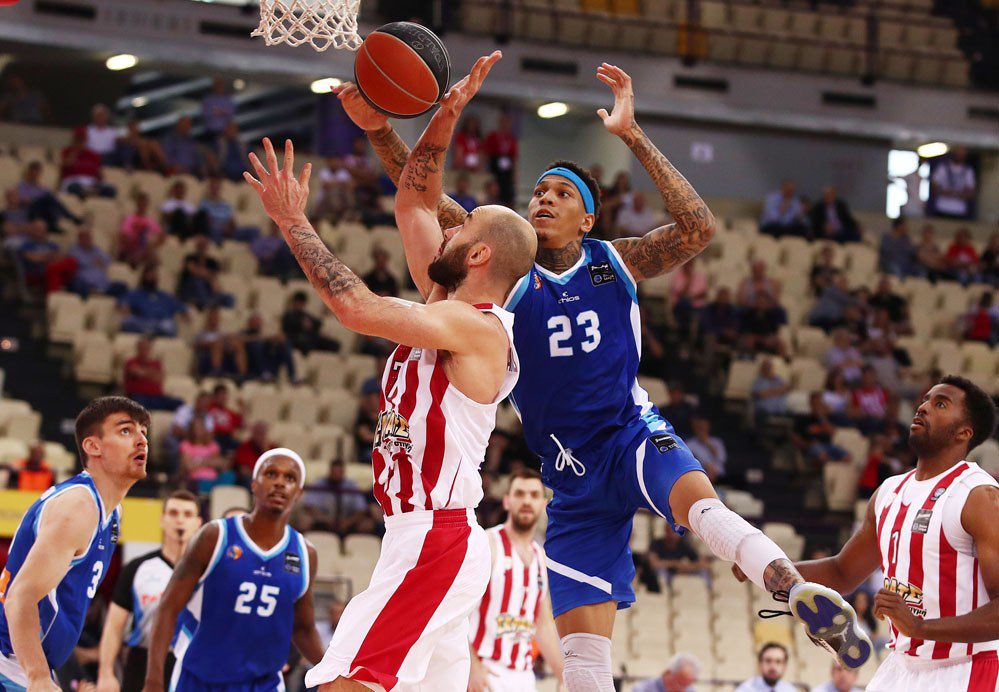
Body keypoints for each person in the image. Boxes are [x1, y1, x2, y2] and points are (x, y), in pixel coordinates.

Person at [336, 54, 870, 688]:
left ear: (587, 220)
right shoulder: (505, 268)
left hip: (629, 433)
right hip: (570, 476)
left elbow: (698, 227)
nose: (544, 198)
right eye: (539, 190)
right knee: (585, 662)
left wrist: (632, 136)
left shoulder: (615, 261)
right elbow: (420, 197)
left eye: (562, 194)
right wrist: (378, 128)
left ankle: (792, 586)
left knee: (701, 507)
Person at [243, 73, 536, 690]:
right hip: (425, 534)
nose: (449, 227)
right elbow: (414, 204)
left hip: (436, 536)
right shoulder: (445, 303)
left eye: (464, 226)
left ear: (479, 255)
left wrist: (292, 220)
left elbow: (355, 308)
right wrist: (443, 115)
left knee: (342, 683)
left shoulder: (479, 328)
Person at [734, 376, 999, 691]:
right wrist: (770, 569)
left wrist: (920, 627)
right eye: (926, 399)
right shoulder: (889, 491)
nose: (924, 407)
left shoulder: (979, 496)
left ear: (963, 433)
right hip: (901, 666)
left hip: (966, 668)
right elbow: (842, 571)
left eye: (940, 404)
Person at [0, 397, 150, 691]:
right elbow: (20, 596)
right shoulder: (79, 506)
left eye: (144, 432)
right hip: (10, 661)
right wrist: (38, 676)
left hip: (26, 661)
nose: (142, 440)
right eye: (126, 430)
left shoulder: (111, 512)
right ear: (93, 446)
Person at [144, 449, 325, 691]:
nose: (280, 483)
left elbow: (303, 629)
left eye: (290, 478)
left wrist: (332, 672)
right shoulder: (215, 536)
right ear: (254, 484)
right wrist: (153, 679)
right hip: (201, 678)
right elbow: (168, 607)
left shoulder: (305, 554)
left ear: (299, 493)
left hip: (263, 683)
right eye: (271, 474)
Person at [95, 490, 202, 692]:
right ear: (162, 520)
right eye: (173, 513)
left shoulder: (207, 572)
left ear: (198, 523)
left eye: (187, 515)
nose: (180, 520)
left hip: (191, 662)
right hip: (142, 661)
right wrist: (105, 673)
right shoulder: (137, 568)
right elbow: (114, 626)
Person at [468, 469, 564, 692]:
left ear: (544, 504)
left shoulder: (540, 557)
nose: (526, 501)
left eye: (534, 495)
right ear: (507, 501)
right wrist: (471, 665)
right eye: (520, 494)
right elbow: (457, 610)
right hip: (485, 668)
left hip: (523, 675)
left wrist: (565, 676)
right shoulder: (487, 543)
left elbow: (542, 624)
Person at [119, 266, 188, 337]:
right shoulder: (135, 294)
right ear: (143, 277)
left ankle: (152, 333)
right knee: (127, 321)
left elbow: (181, 307)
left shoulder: (165, 296)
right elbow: (123, 302)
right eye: (148, 275)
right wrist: (124, 306)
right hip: (141, 322)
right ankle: (151, 333)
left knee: (169, 325)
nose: (150, 277)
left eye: (153, 275)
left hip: (160, 324)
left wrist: (184, 313)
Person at [123, 337, 184, 411]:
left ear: (150, 349)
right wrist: (152, 373)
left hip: (157, 397)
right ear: (137, 348)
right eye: (142, 348)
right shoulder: (131, 361)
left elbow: (160, 378)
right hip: (138, 397)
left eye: (146, 348)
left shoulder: (156, 363)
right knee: (137, 403)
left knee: (180, 403)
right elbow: (136, 372)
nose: (144, 350)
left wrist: (143, 372)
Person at [930, 146, 975, 219]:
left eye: (962, 153)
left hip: (959, 210)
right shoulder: (943, 167)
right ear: (953, 152)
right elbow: (934, 187)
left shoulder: (968, 170)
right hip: (942, 208)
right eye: (958, 152)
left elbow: (971, 192)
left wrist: (960, 195)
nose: (959, 155)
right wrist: (946, 193)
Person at [630, 652, 699, 692]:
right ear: (667, 673)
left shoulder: (689, 690)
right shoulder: (642, 689)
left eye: (686, 685)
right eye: (680, 684)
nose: (682, 690)